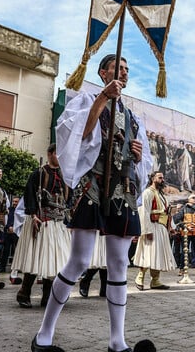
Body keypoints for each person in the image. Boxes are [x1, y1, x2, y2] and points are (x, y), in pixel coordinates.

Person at [31, 54, 152, 352]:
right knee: (80, 261)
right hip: (92, 186)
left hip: (122, 190)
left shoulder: (134, 118)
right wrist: (102, 97)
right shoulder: (85, 99)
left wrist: (138, 156)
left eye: (126, 68)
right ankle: (43, 335)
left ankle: (117, 341)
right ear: (103, 72)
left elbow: (145, 161)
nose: (123, 72)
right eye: (117, 67)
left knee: (119, 265)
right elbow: (77, 135)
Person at [12, 144, 72, 308]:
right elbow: (29, 195)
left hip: (58, 223)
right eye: (58, 154)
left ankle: (47, 296)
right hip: (41, 220)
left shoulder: (65, 176)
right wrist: (33, 216)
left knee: (53, 261)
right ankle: (24, 292)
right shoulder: (39, 173)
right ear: (50, 154)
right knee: (35, 257)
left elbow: (69, 199)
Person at [133, 171, 176, 290]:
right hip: (152, 226)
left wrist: (171, 227)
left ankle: (155, 280)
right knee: (148, 253)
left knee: (158, 255)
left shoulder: (161, 194)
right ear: (153, 179)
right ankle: (140, 277)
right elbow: (143, 211)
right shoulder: (147, 193)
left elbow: (166, 212)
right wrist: (147, 230)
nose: (162, 180)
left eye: (163, 178)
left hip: (161, 228)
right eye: (160, 177)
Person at [175, 195, 195, 276]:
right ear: (188, 199)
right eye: (193, 198)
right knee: (184, 251)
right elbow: (176, 219)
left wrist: (191, 205)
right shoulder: (184, 209)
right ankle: (181, 269)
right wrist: (186, 227)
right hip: (186, 234)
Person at [0, 196, 20, 273]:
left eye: (16, 201)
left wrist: (14, 227)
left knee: (17, 250)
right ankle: (2, 267)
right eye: (13, 201)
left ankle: (17, 267)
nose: (14, 203)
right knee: (5, 250)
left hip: (17, 233)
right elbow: (5, 219)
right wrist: (8, 227)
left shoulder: (21, 211)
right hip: (8, 232)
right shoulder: (9, 210)